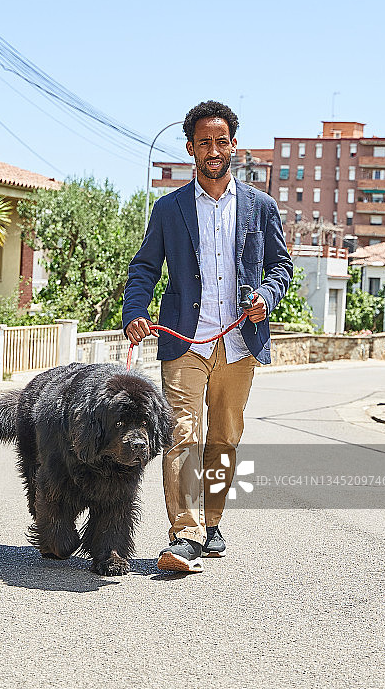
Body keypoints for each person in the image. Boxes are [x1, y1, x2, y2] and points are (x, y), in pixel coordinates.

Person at [122, 100, 293, 572]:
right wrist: (134, 311)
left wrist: (265, 297)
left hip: (240, 343)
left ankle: (211, 522)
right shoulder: (170, 208)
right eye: (203, 143)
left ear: (233, 146)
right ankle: (185, 533)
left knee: (224, 437)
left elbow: (281, 266)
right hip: (184, 338)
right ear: (191, 148)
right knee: (182, 433)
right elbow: (144, 268)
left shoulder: (260, 206)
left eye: (221, 141)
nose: (213, 150)